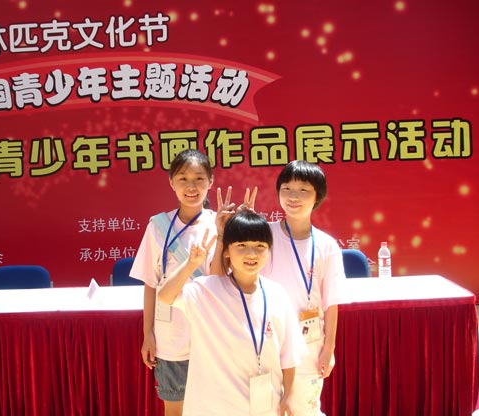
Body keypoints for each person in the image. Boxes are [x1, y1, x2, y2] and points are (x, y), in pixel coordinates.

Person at [158, 210, 306, 416]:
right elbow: (165, 296)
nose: (251, 254)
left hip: (264, 408)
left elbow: (289, 355)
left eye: (260, 246)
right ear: (226, 251)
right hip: (212, 409)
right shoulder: (206, 290)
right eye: (241, 246)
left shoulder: (277, 295)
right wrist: (190, 264)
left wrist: (289, 394)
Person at [129, 149, 219, 416]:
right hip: (171, 337)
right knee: (175, 408)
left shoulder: (220, 225)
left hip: (211, 334)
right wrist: (148, 333)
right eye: (183, 179)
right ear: (171, 183)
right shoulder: (158, 226)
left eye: (199, 179)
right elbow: (150, 283)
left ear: (210, 181)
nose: (191, 187)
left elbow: (222, 281)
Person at [265, 160, 345, 415]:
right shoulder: (264, 236)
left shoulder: (327, 245)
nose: (293, 197)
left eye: (303, 190)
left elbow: (331, 302)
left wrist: (329, 349)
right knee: (268, 409)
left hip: (309, 346)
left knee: (305, 409)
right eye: (287, 189)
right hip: (268, 342)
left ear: (317, 196)